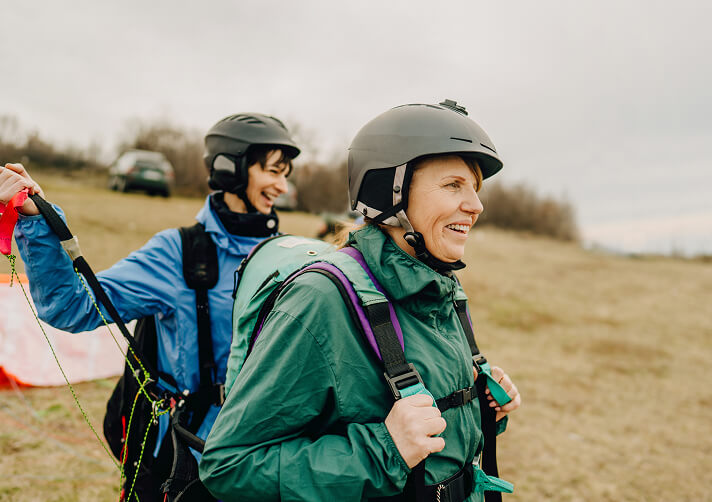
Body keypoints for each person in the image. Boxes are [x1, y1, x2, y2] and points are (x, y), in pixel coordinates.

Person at [199, 100, 522, 501]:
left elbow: (426, 427)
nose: (476, 205)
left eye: (475, 187)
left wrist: (479, 400)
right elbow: (230, 464)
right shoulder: (319, 302)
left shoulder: (443, 289)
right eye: (454, 185)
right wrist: (385, 449)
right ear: (390, 192)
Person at [0, 112, 300, 500]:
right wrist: (38, 222)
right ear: (231, 170)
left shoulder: (290, 255)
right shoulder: (178, 254)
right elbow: (71, 306)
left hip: (264, 454)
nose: (282, 185)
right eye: (273, 171)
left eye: (285, 173)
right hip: (191, 459)